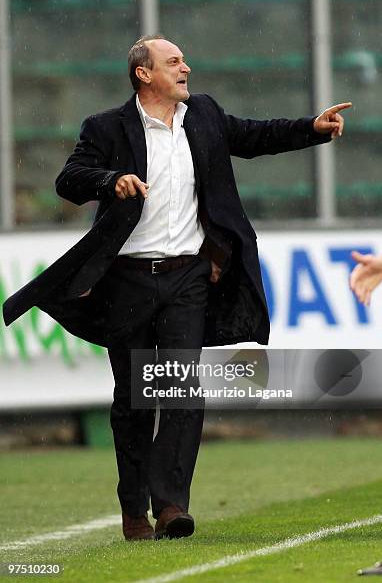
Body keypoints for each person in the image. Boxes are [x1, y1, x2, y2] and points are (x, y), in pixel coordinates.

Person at [2, 35, 351, 541]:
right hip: (125, 279)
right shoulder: (105, 127)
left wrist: (311, 129)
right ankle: (133, 509)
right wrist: (111, 180)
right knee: (136, 398)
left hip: (189, 275)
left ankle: (171, 506)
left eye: (184, 60)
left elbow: (254, 136)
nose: (186, 67)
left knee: (183, 387)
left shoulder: (204, 114)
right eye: (174, 62)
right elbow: (69, 180)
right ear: (144, 74)